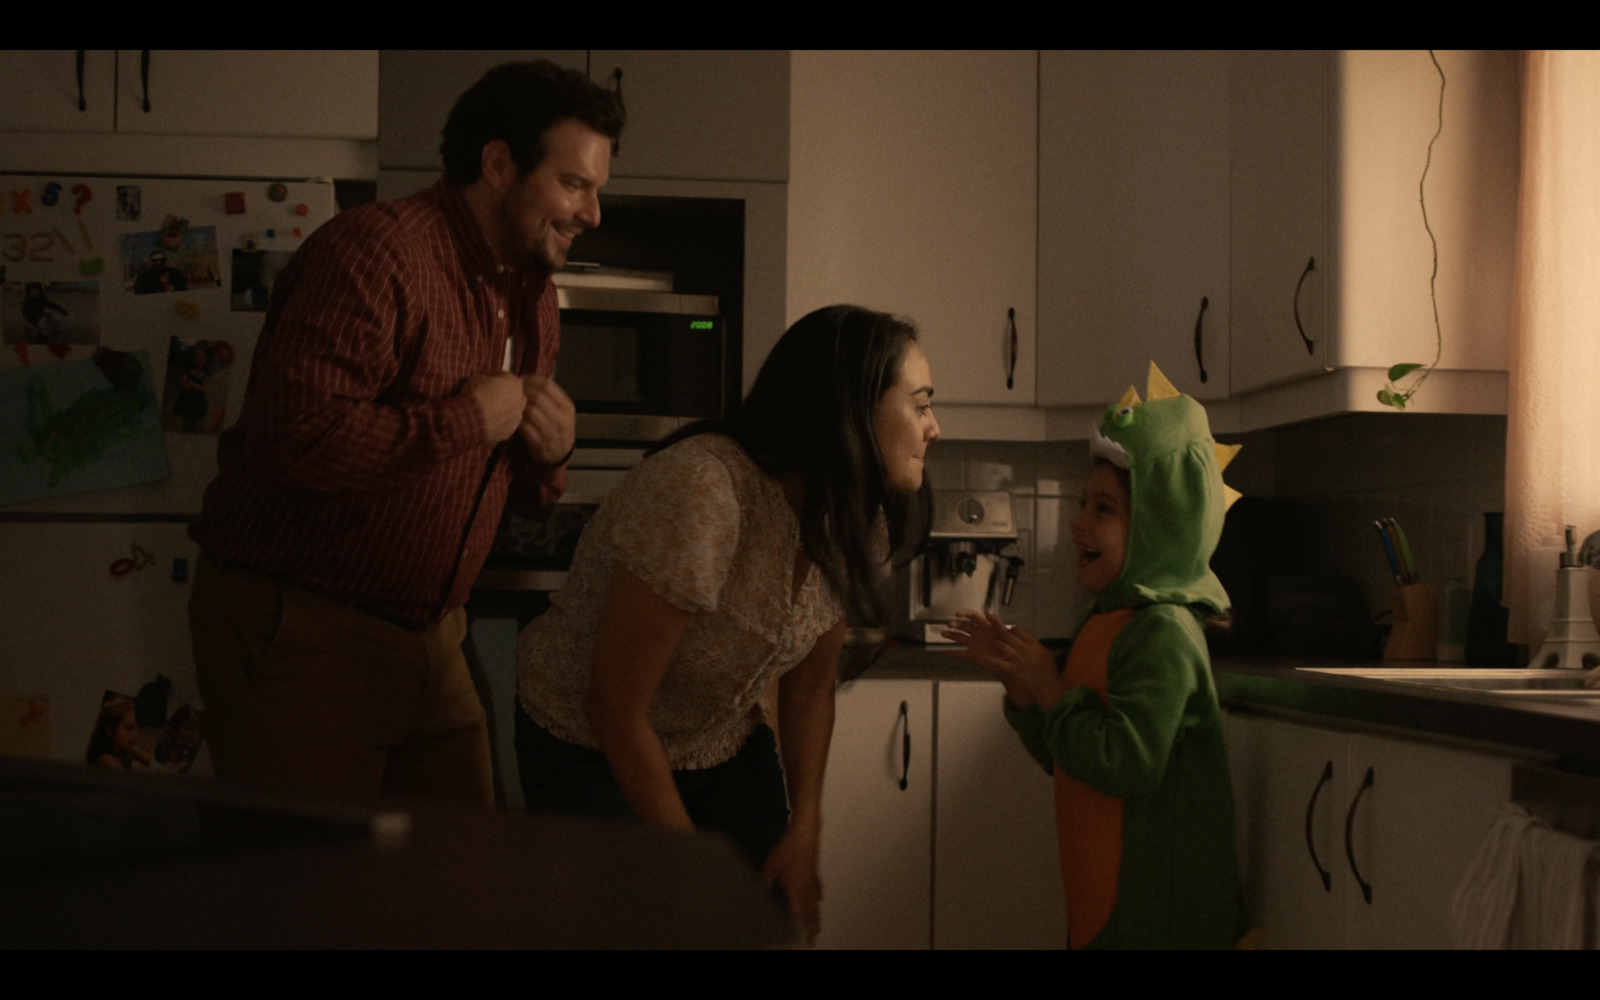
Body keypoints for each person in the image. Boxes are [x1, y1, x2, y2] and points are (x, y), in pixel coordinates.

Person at [187, 60, 625, 806]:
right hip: (302, 626)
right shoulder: (374, 254)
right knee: (308, 897)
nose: (592, 214)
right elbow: (296, 442)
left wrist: (549, 456)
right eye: (574, 185)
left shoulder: (533, 296)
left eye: (597, 192)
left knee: (455, 889)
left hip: (433, 634)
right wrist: (465, 420)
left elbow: (513, 492)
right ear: (497, 165)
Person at [515, 304, 939, 943]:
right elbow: (614, 710)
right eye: (921, 403)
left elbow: (811, 688)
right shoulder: (706, 491)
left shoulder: (860, 518)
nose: (935, 427)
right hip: (587, 742)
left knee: (767, 925)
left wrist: (805, 832)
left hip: (718, 740)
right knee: (648, 926)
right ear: (847, 408)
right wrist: (695, 870)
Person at [943, 362, 1244, 950]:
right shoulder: (1109, 623)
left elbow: (1126, 763)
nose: (1077, 523)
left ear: (1160, 526)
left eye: (1103, 510)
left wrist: (1049, 689)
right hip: (1107, 895)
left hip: (1158, 913)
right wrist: (1024, 691)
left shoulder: (1164, 632)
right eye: (1085, 503)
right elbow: (1070, 758)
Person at [87, 698, 151, 771]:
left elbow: (151, 764)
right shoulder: (104, 758)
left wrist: (138, 753)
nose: (136, 735)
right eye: (129, 728)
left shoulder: (126, 750)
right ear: (109, 730)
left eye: (137, 729)